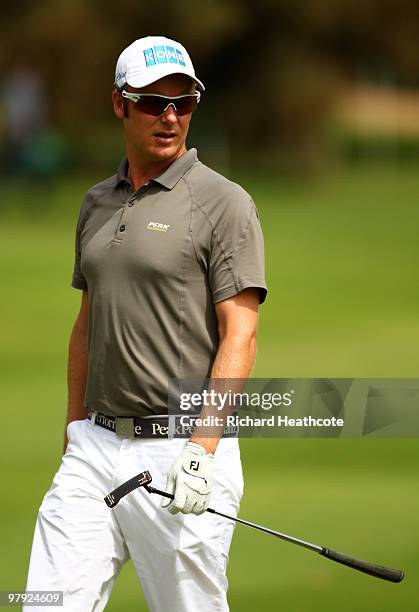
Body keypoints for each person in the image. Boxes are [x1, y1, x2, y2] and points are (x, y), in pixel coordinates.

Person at [24, 35, 267, 611]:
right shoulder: (96, 203)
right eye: (153, 101)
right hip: (94, 447)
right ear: (119, 104)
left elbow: (242, 333)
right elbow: (88, 323)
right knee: (46, 603)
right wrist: (72, 430)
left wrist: (202, 450)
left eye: (182, 103)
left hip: (180, 451)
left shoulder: (223, 202)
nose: (169, 116)